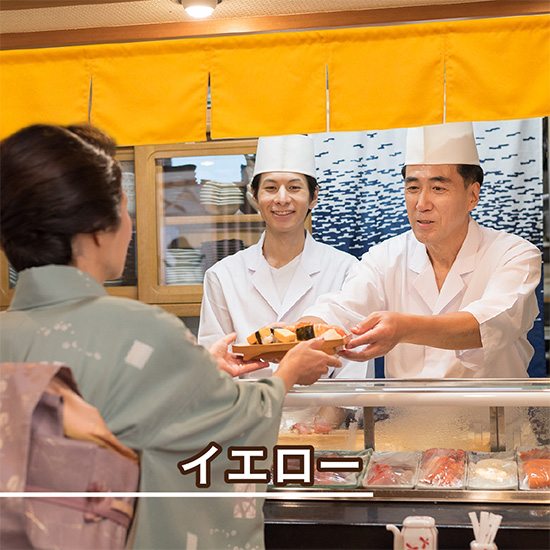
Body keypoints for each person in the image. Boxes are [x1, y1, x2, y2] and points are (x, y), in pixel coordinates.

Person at [0, 123, 341, 550]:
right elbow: (232, 425)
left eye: (295, 187)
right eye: (124, 208)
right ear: (96, 228)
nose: (130, 223)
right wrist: (285, 376)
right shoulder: (144, 332)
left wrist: (199, 371)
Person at [300, 121, 541, 378]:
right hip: (404, 418)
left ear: (472, 195)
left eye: (438, 188)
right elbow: (341, 309)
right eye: (413, 188)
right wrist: (295, 334)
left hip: (494, 417)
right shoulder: (385, 257)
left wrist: (404, 328)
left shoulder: (515, 254)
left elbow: (488, 324)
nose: (422, 203)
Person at [198, 134, 372, 380]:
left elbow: (354, 370)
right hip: (249, 414)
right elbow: (214, 369)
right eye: (270, 188)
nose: (281, 199)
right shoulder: (222, 276)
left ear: (314, 197)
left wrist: (324, 421)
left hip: (323, 413)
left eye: (294, 187)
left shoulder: (346, 270)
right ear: (254, 195)